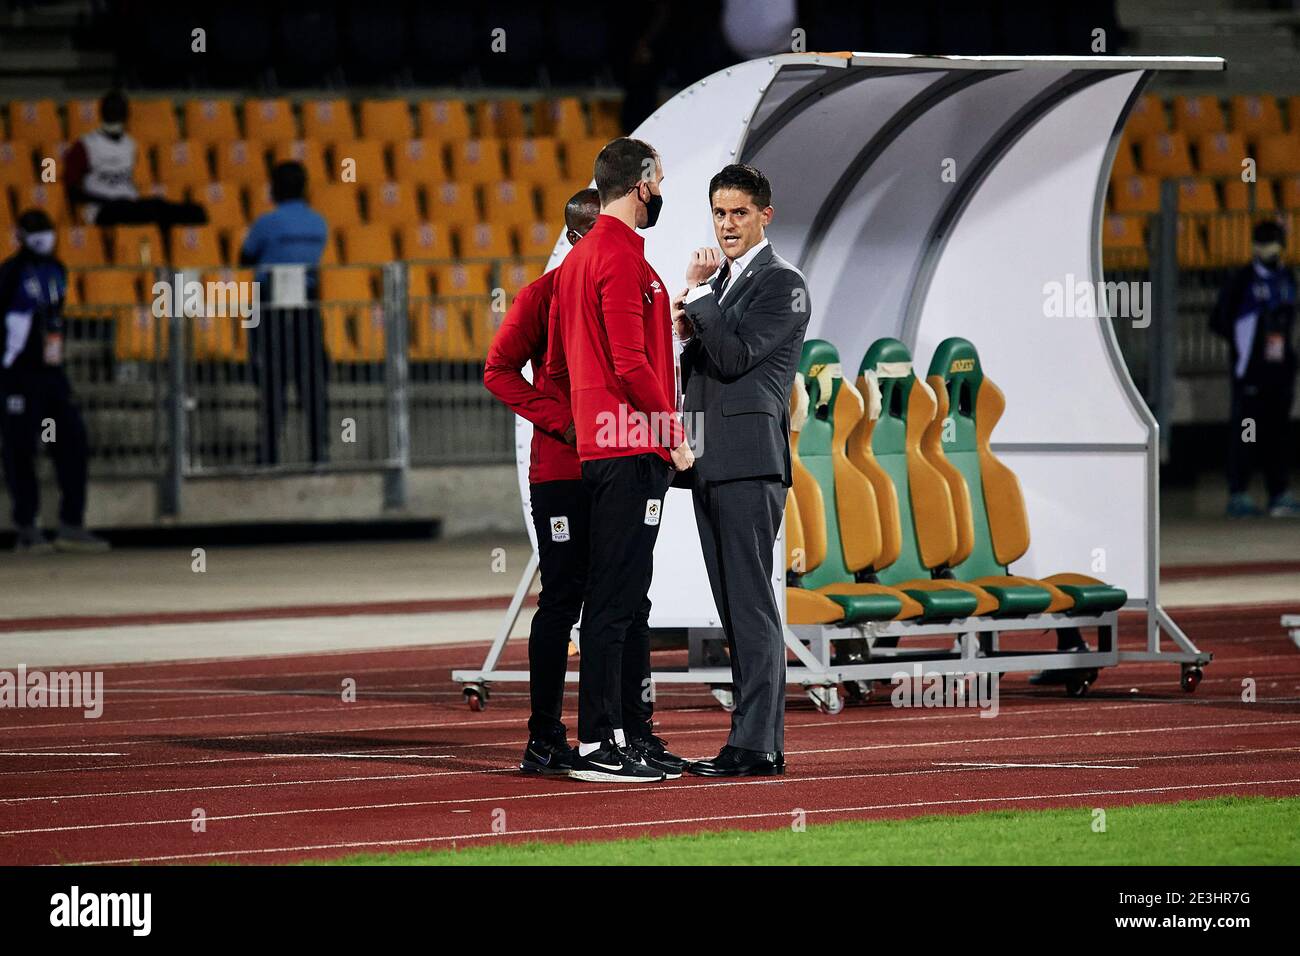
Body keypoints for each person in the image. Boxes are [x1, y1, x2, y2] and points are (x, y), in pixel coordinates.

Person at [545, 137, 693, 783]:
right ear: (642, 184)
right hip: (630, 447)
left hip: (606, 446)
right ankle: (601, 742)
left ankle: (629, 735)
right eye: (659, 181)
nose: (662, 191)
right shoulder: (621, 258)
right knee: (616, 602)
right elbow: (631, 362)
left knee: (625, 602)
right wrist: (673, 433)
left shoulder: (583, 258)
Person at [671, 164, 809, 777]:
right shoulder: (725, 286)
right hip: (711, 463)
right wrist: (688, 323)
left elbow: (733, 359)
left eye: (739, 214)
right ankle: (750, 743)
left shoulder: (783, 284)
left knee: (750, 607)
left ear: (765, 216)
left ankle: (757, 746)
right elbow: (701, 371)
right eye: (719, 213)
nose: (727, 225)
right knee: (733, 608)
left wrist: (697, 297)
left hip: (750, 465)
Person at [483, 188, 600, 775]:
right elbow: (497, 369)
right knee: (562, 600)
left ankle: (614, 736)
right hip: (561, 471)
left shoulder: (623, 288)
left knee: (619, 599)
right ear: (581, 235)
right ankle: (545, 736)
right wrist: (562, 422)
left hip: (617, 470)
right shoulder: (542, 297)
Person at [1, 210, 109, 553]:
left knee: (72, 442)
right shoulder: (10, 272)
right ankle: (27, 527)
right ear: (20, 235)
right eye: (36, 231)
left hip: (52, 375)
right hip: (18, 375)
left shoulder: (58, 269)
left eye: (47, 230)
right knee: (21, 449)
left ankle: (71, 523)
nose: (44, 237)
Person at [239, 161, 330, 466]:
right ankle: (320, 454)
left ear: (274, 188)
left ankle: (268, 455)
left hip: (271, 306)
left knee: (272, 384)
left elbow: (245, 258)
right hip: (306, 306)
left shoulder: (267, 223)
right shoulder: (318, 223)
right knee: (312, 384)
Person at [1210, 219, 1299, 518]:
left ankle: (1279, 493)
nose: (1267, 249)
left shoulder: (1287, 278)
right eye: (1262, 243)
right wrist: (1244, 347)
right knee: (1247, 433)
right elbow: (1219, 320)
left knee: (1277, 435)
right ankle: (1239, 493)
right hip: (1250, 375)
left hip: (1279, 374)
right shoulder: (1242, 280)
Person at [62, 89, 207, 228]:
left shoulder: (130, 144)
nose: (115, 113)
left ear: (126, 114)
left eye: (119, 110)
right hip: (101, 209)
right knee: (148, 211)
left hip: (129, 204)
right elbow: (72, 190)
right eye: (111, 109)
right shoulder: (85, 145)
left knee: (181, 209)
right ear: (102, 113)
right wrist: (106, 201)